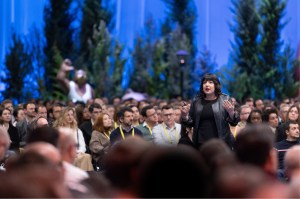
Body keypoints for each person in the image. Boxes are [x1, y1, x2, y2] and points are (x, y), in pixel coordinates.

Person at [181, 74, 239, 149]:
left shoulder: (225, 99)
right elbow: (190, 123)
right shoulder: (196, 101)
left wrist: (231, 112)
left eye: (210, 82)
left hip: (221, 143)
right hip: (200, 143)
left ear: (216, 85)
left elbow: (234, 123)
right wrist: (185, 116)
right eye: (204, 83)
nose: (207, 85)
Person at [53, 107, 93, 171]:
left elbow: (82, 146)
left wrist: (77, 152)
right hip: (64, 155)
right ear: (62, 116)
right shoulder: (58, 130)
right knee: (84, 158)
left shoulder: (77, 130)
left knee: (87, 156)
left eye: (72, 115)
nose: (70, 117)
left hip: (77, 154)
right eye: (68, 115)